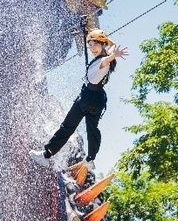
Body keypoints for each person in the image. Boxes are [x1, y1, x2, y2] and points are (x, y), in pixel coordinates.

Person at [30, 28, 129, 170]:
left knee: (67, 126)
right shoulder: (106, 53)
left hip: (86, 98)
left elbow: (106, 61)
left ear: (102, 45)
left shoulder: (103, 60)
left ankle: (46, 155)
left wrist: (114, 55)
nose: (92, 49)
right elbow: (111, 46)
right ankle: (90, 159)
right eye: (90, 45)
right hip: (99, 100)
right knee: (93, 130)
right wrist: (99, 36)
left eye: (96, 45)